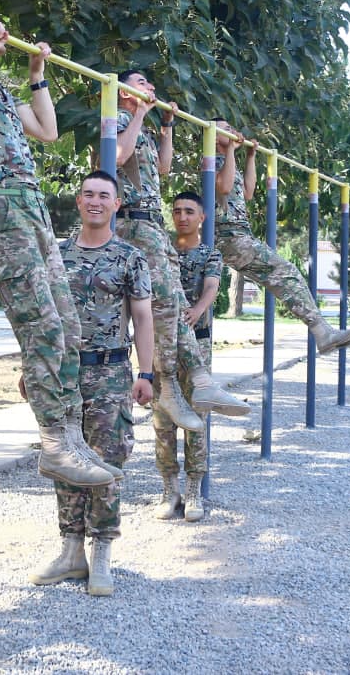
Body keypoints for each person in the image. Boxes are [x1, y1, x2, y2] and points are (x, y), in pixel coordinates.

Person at [0, 15, 112, 488]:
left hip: (32, 206)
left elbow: (47, 130)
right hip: (0, 206)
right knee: (43, 326)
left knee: (68, 326)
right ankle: (54, 441)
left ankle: (70, 436)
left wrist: (37, 75)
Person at [30, 171, 154, 597]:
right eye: (88, 194)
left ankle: (101, 551)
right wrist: (32, 368)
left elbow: (143, 318)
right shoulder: (56, 254)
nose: (95, 201)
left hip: (109, 372)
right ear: (79, 201)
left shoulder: (130, 257)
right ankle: (70, 551)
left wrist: (146, 372)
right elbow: (41, 318)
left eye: (104, 195)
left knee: (106, 459)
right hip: (63, 373)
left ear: (116, 204)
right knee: (65, 458)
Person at [114, 71, 249, 429]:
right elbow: (116, 155)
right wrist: (141, 114)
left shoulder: (142, 128)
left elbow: (163, 167)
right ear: (125, 92)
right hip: (133, 222)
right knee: (164, 303)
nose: (151, 88)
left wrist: (166, 126)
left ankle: (197, 380)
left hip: (151, 224)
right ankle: (170, 386)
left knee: (172, 302)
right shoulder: (120, 119)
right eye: (142, 83)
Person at [214, 123, 350, 355]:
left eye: (232, 127)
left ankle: (322, 332)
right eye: (225, 128)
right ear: (214, 136)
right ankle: (321, 332)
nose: (232, 130)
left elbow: (248, 192)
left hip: (240, 236)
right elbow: (223, 187)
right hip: (228, 237)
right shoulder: (213, 161)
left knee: (283, 276)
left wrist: (250, 156)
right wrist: (232, 149)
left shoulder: (228, 162)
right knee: (285, 271)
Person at [153, 191, 223, 521]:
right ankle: (169, 488)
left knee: (196, 416)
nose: (182, 217)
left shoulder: (210, 254)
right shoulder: (163, 252)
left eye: (189, 211)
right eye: (177, 211)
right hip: (163, 345)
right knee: (163, 419)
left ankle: (194, 488)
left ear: (201, 217)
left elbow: (211, 286)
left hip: (198, 342)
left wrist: (197, 310)